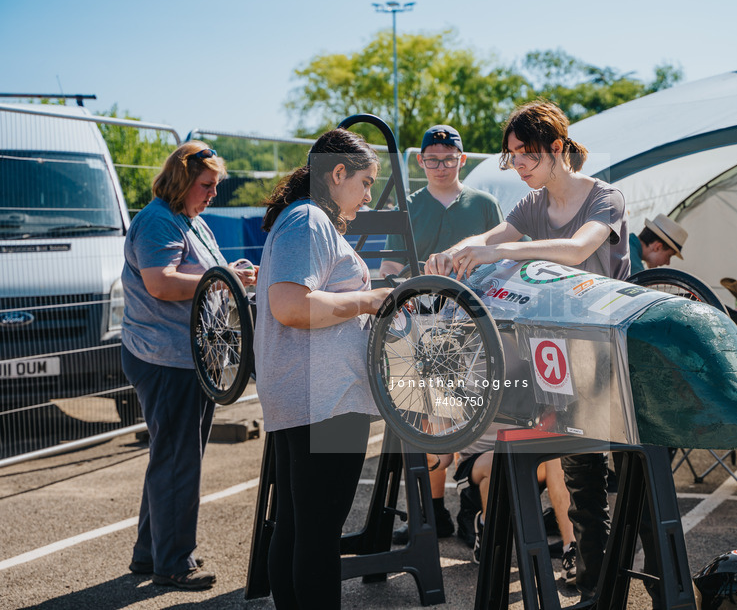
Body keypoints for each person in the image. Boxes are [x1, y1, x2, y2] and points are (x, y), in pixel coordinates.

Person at [426, 99, 630, 599]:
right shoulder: (532, 204)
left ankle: (617, 575)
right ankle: (591, 582)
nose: (519, 166)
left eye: (527, 156)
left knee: (631, 478)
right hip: (560, 350)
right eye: (512, 157)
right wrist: (457, 252)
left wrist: (499, 250)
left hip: (612, 348)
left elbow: (578, 249)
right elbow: (491, 234)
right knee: (580, 477)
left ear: (557, 148)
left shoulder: (605, 198)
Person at [253, 128, 392, 610]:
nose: (369, 195)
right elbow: (290, 305)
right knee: (316, 532)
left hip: (312, 396)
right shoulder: (309, 219)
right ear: (337, 173)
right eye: (367, 182)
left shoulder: (303, 220)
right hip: (325, 401)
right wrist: (370, 301)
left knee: (298, 525)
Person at [122, 142, 257, 590]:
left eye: (215, 185)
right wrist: (224, 278)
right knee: (179, 462)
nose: (213, 193)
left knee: (171, 458)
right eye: (207, 185)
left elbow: (204, 272)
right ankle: (174, 564)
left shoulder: (187, 219)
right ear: (182, 179)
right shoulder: (159, 220)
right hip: (166, 358)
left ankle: (150, 554)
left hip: (185, 356)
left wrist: (229, 271)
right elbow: (160, 283)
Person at [379, 124, 503, 545]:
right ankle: (433, 516)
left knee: (474, 418)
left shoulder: (485, 206)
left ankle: (476, 502)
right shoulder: (408, 207)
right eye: (432, 159)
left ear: (461, 160)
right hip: (422, 329)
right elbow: (391, 271)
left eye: (449, 159)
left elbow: (500, 266)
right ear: (421, 161)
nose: (441, 166)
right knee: (429, 423)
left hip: (472, 332)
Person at [454, 423, 577, 579]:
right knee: (499, 461)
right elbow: (440, 442)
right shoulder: (462, 398)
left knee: (555, 457)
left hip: (522, 452)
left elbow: (552, 420)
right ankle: (486, 525)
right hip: (478, 463)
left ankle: (570, 550)